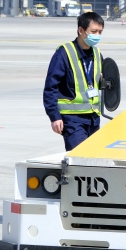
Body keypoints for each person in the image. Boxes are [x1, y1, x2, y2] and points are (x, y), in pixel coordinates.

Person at [43, 11, 105, 151]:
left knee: (94, 158)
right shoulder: (64, 53)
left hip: (93, 118)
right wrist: (54, 117)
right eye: (94, 31)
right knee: (79, 157)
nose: (97, 36)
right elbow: (51, 87)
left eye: (100, 32)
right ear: (81, 30)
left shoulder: (97, 54)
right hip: (72, 119)